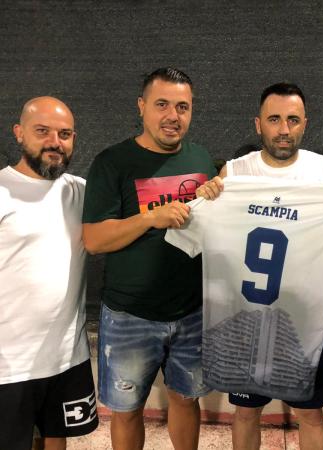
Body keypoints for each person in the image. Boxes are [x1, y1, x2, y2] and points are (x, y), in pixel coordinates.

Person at [195, 82, 323, 450]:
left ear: (305, 123)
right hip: (244, 322)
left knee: (310, 414)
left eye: (293, 120)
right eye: (274, 119)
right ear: (258, 124)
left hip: (303, 328)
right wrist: (205, 199)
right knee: (245, 412)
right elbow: (203, 232)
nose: (284, 129)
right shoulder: (233, 173)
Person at [82, 68, 216, 450]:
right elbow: (94, 240)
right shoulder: (112, 162)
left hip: (192, 312)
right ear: (141, 106)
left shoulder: (201, 158)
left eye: (182, 107)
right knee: (126, 411)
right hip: (130, 316)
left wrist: (218, 193)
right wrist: (149, 218)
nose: (173, 116)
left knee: (187, 399)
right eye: (162, 105)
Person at [0, 97, 98, 450]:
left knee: (57, 440)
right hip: (9, 365)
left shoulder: (82, 191)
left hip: (67, 356)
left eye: (65, 134)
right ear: (19, 133)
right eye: (42, 131)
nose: (55, 142)